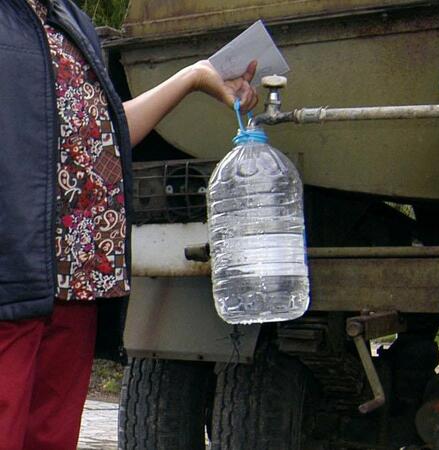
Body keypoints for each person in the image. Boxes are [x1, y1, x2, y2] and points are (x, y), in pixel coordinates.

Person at [0, 1, 258, 449]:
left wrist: (193, 77)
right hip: (11, 274)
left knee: (50, 438)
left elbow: (104, 135)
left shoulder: (68, 18)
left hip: (78, 279)